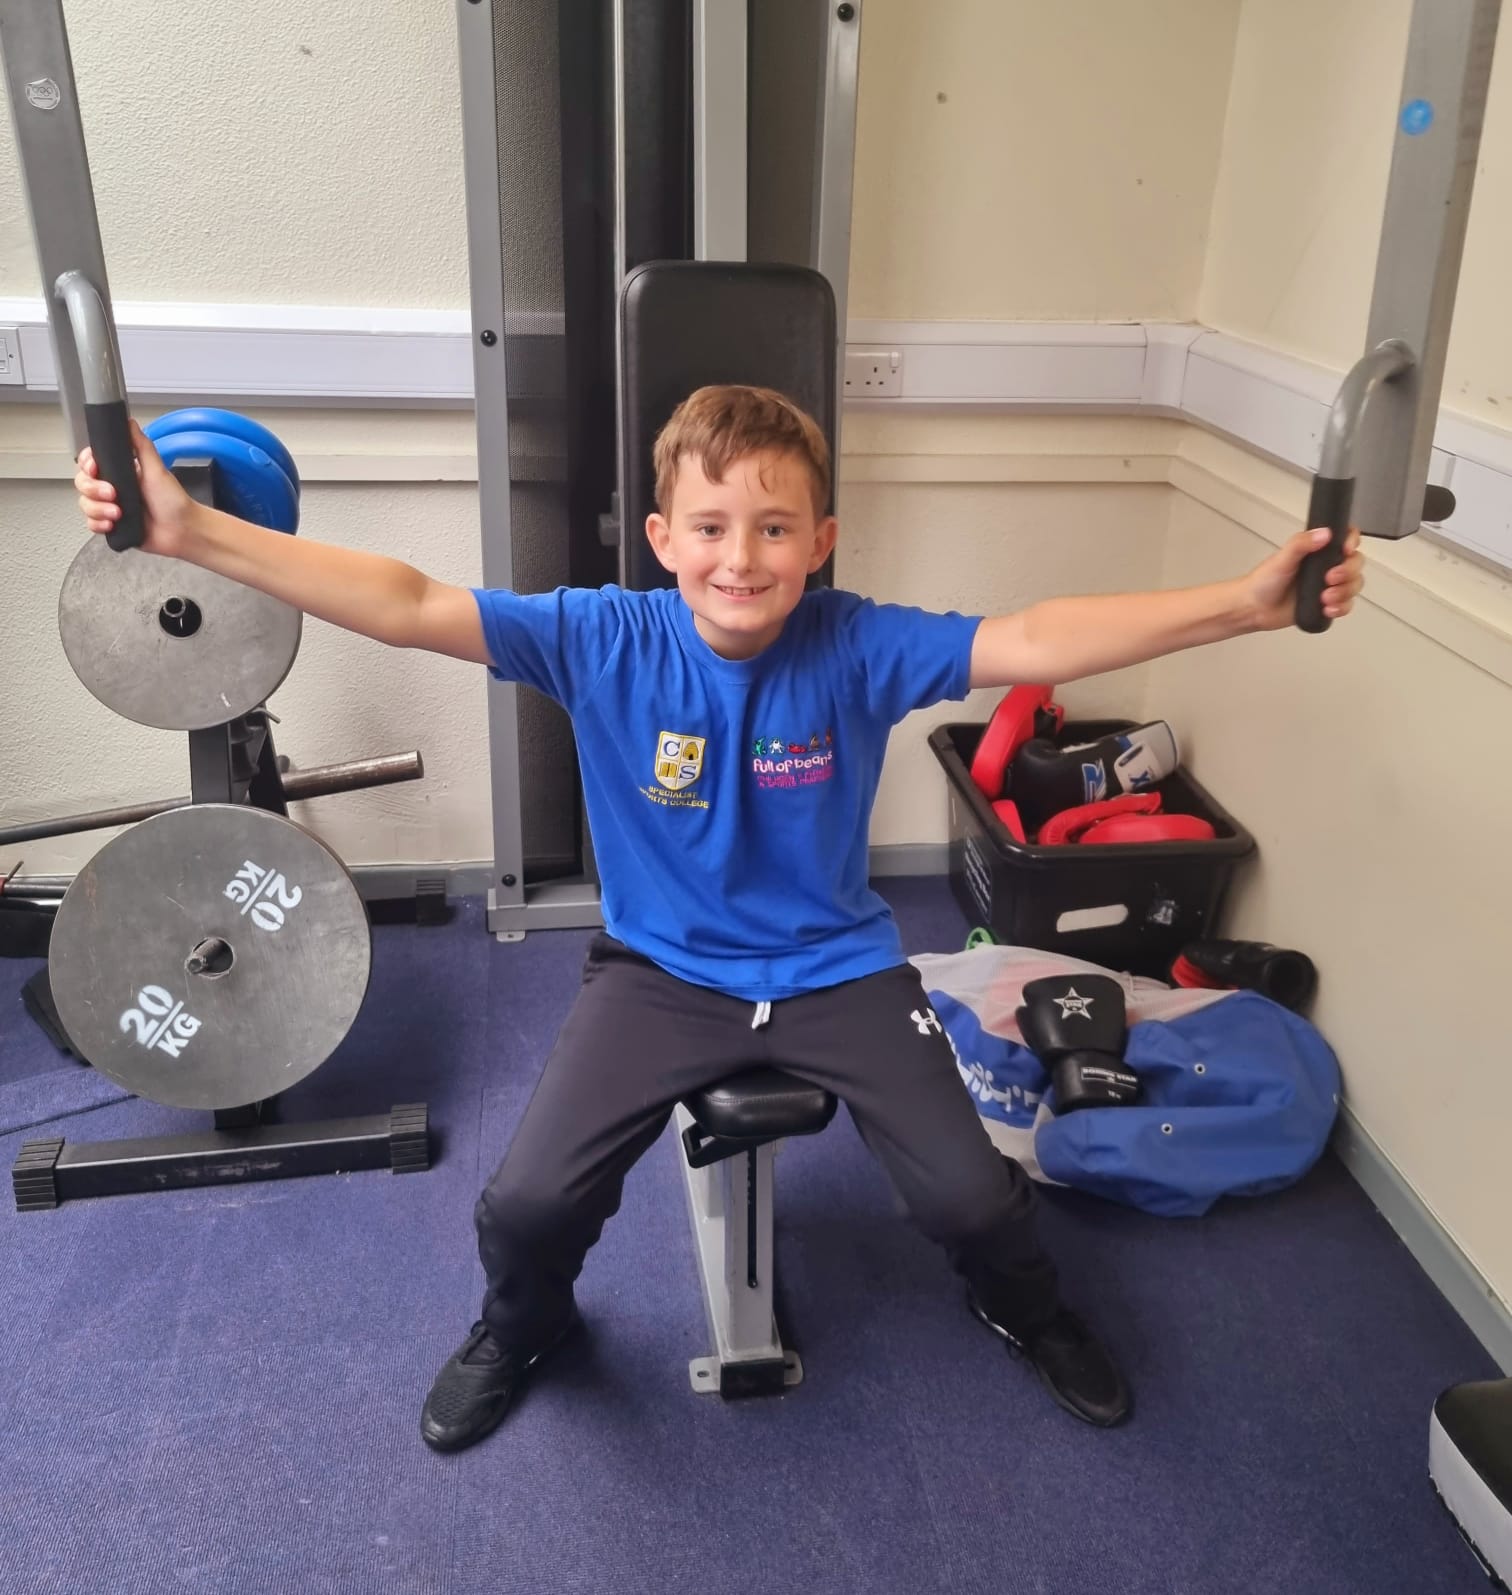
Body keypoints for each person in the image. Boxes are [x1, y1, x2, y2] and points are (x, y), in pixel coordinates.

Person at [75, 385, 1364, 1451]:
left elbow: (1031, 633)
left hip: (839, 970)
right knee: (522, 1207)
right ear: (661, 537)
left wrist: (1244, 605)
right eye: (710, 527)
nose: (740, 558)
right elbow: (407, 601)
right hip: (661, 973)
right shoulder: (598, 638)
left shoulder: (858, 645)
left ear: (822, 543)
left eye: (773, 529)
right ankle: (528, 1326)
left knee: (976, 1204)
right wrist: (189, 533)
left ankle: (1024, 1309)